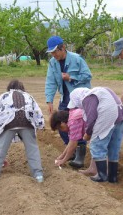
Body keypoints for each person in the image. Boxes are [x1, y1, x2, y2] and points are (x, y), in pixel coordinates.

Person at [0, 80, 45, 187]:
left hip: (8, 122)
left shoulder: (4, 96)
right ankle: (38, 175)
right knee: (32, 149)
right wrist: (40, 125)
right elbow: (37, 112)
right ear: (22, 88)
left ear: (9, 87)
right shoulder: (29, 96)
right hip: (27, 122)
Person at [45, 35, 92, 168]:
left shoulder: (77, 59)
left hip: (79, 99)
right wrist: (49, 100)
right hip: (65, 98)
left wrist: (71, 77)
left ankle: (80, 155)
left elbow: (88, 76)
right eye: (51, 52)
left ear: (63, 48)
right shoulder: (52, 63)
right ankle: (71, 151)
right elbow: (50, 82)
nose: (53, 55)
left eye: (55, 51)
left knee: (78, 126)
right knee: (60, 125)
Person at [67, 87, 123, 183]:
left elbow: (91, 119)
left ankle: (102, 176)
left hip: (109, 114)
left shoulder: (88, 98)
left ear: (77, 98)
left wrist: (88, 133)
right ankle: (113, 177)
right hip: (121, 114)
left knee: (97, 145)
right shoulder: (97, 92)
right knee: (113, 148)